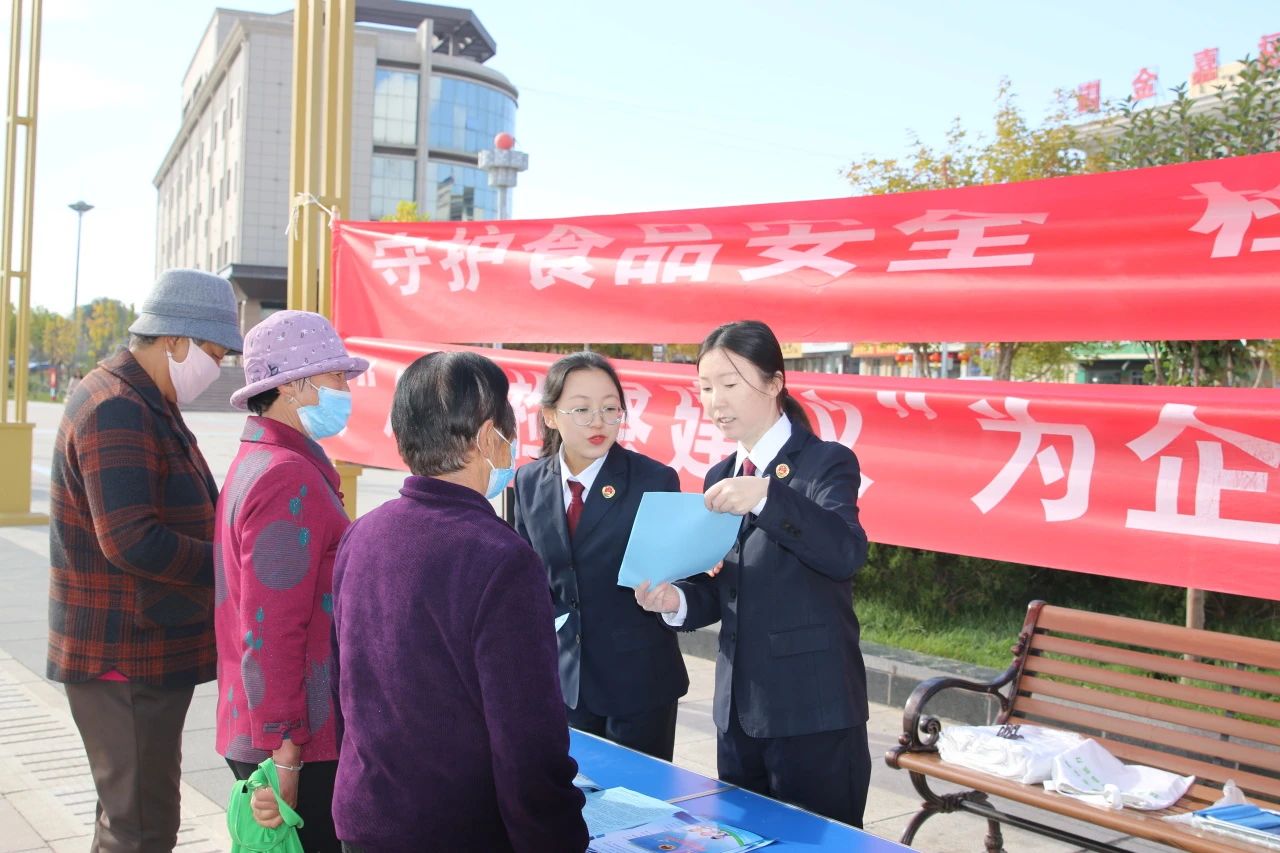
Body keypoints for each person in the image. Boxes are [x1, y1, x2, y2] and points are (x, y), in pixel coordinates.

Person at [329, 351, 588, 852]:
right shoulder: (501, 558)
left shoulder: (363, 533)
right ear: (489, 436)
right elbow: (527, 739)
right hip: (456, 828)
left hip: (367, 815)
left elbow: (343, 685)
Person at [635, 320, 872, 828]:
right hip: (738, 716)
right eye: (705, 388)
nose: (715, 402)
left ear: (774, 382)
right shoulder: (720, 475)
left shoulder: (826, 463)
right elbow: (726, 585)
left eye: (729, 383)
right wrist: (676, 601)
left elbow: (845, 552)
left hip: (813, 715)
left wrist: (767, 497)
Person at [47, 268, 243, 851]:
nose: (215, 366)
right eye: (213, 353)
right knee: (139, 829)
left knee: (136, 817)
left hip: (143, 648)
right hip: (124, 654)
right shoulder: (116, 407)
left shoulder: (146, 399)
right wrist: (230, 564)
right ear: (174, 340)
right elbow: (132, 540)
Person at [215, 311, 369, 852]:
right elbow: (272, 625)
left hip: (275, 723)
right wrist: (285, 754)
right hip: (298, 735)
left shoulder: (264, 458)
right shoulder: (287, 475)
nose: (346, 389)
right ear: (292, 385)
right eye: (336, 377)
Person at [513, 352, 688, 761]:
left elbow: (678, 572)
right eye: (582, 409)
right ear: (551, 416)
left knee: (640, 794)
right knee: (573, 790)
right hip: (564, 681)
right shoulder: (528, 481)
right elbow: (526, 577)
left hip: (639, 684)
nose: (598, 422)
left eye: (610, 409)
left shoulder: (654, 480)